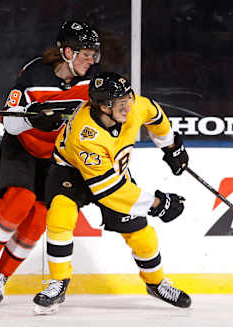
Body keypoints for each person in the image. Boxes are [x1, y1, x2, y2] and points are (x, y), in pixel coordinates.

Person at [0, 20, 102, 308]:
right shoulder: (34, 73)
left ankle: (1, 276)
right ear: (67, 52)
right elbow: (9, 121)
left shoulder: (94, 83)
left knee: (40, 217)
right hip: (23, 149)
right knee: (20, 198)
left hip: (57, 158)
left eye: (94, 55)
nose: (92, 61)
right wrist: (33, 119)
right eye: (86, 54)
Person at [32, 72, 190, 315]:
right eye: (121, 103)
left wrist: (171, 146)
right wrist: (158, 204)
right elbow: (109, 192)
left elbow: (156, 116)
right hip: (71, 173)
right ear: (104, 106)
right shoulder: (86, 135)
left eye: (129, 99)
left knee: (140, 235)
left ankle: (156, 283)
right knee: (60, 217)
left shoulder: (135, 107)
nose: (128, 107)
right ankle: (58, 283)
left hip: (112, 172)